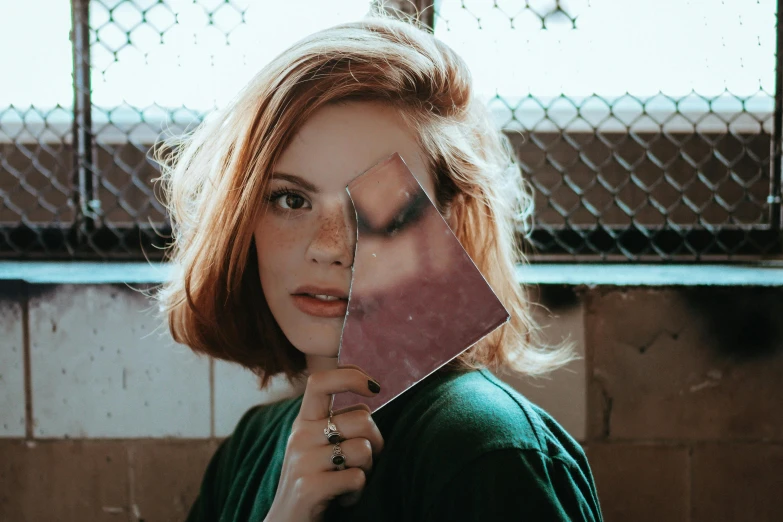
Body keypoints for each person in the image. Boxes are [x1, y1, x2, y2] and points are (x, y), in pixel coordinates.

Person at [152, 10, 604, 522]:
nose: (329, 248)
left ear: (447, 222)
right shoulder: (252, 447)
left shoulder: (486, 450)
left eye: (376, 206)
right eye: (290, 200)